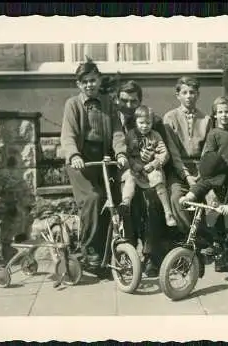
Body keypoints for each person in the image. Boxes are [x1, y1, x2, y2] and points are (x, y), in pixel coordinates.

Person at [60, 59, 122, 273]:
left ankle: (105, 255)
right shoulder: (72, 105)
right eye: (84, 81)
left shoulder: (108, 104)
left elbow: (116, 131)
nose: (89, 85)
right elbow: (68, 135)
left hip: (102, 159)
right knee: (92, 199)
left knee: (111, 200)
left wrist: (120, 152)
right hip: (81, 162)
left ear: (99, 80)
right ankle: (88, 249)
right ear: (79, 84)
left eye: (93, 80)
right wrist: (74, 154)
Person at [110, 80, 172, 277]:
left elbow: (165, 150)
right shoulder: (114, 119)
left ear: (140, 101)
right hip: (125, 173)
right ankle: (128, 255)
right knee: (128, 207)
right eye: (124, 100)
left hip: (150, 173)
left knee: (153, 203)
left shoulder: (154, 122)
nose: (129, 105)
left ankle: (151, 255)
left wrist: (153, 160)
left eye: (133, 101)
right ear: (117, 100)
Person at [163, 76, 214, 234]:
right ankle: (194, 238)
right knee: (177, 198)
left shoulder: (206, 119)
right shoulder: (169, 118)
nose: (188, 96)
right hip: (179, 170)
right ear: (177, 95)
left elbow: (208, 149)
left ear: (198, 94)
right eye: (184, 92)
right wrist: (186, 175)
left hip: (200, 170)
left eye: (192, 92)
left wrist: (200, 173)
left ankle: (212, 240)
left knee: (212, 200)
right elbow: (173, 151)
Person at [120, 105, 177, 227]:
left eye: (148, 123)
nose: (144, 126)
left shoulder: (155, 135)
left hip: (150, 168)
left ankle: (168, 212)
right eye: (141, 123)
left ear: (152, 123)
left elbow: (164, 153)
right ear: (135, 122)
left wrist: (155, 163)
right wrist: (134, 165)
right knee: (129, 179)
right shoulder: (130, 135)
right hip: (135, 168)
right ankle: (125, 203)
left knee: (158, 179)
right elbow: (127, 153)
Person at [202, 96, 228, 164]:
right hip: (219, 169)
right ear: (215, 115)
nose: (224, 115)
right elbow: (211, 156)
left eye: (227, 112)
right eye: (220, 112)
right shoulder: (213, 134)